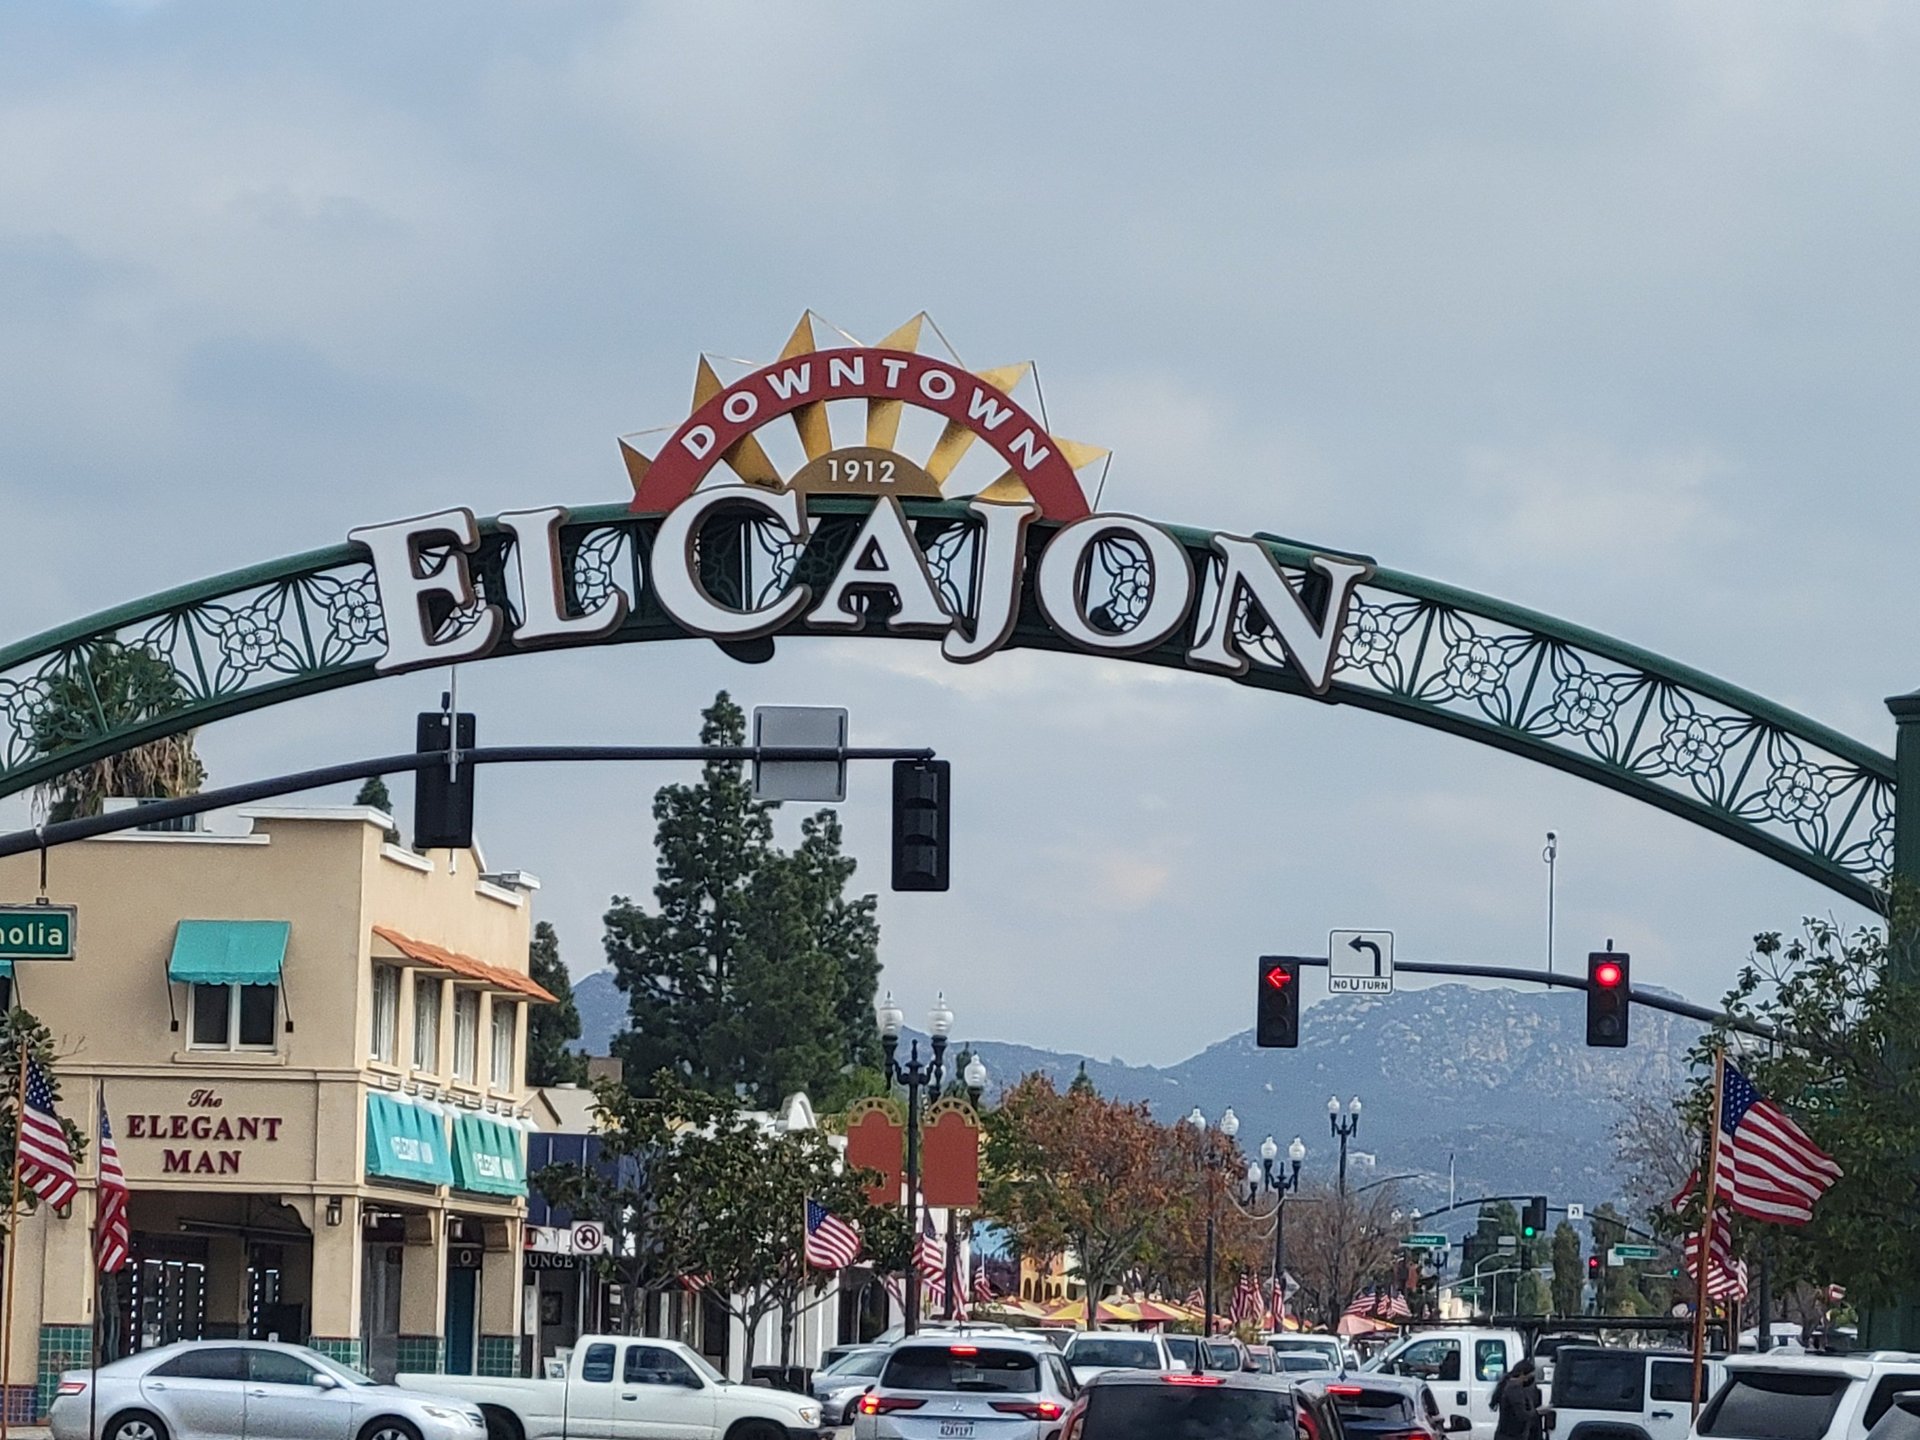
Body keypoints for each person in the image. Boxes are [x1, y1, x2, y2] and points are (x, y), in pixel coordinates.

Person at [1492, 1358, 1548, 1440]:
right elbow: (1521, 1415)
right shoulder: (1514, 1389)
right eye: (1530, 1375)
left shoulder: (1507, 1385)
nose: (1531, 1378)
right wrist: (1537, 1412)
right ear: (1522, 1374)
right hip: (1512, 1436)